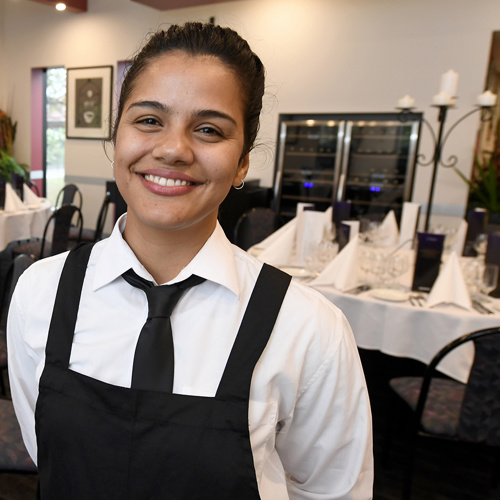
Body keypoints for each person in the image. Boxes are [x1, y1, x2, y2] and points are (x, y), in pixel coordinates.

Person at [8, 22, 373, 499]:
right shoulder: (42, 292)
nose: (172, 149)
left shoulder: (308, 326)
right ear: (115, 138)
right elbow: (48, 452)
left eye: (208, 129)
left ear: (243, 162)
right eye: (148, 120)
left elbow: (332, 492)